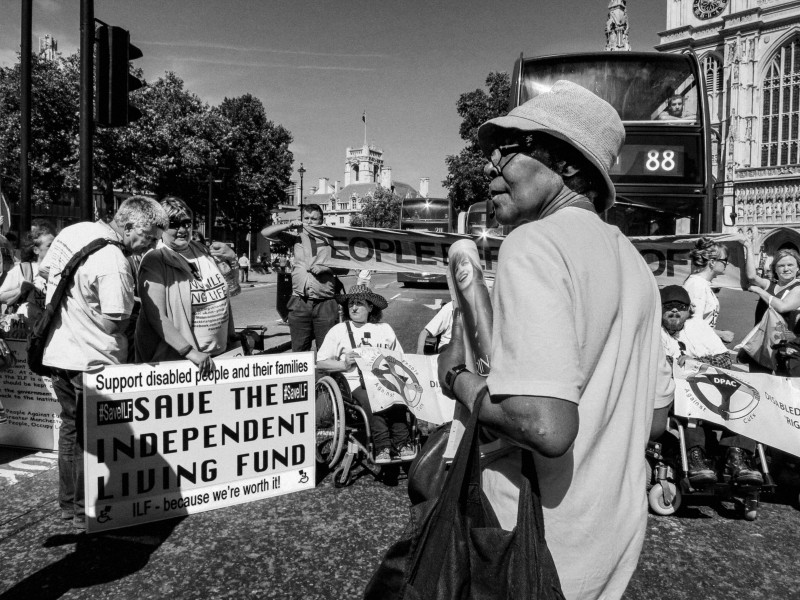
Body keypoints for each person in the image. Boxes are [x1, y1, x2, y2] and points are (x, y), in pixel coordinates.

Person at [437, 80, 674, 600]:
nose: (489, 168)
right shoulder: (636, 265)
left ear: (566, 164)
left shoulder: (534, 243)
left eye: (506, 151)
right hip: (612, 541)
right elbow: (655, 421)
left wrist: (458, 379)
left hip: (533, 546)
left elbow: (545, 425)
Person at [40, 196, 168, 530]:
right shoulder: (114, 260)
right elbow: (115, 321)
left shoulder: (74, 231)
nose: (152, 245)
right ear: (129, 226)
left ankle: (68, 506)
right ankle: (87, 513)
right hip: (92, 360)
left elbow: (44, 274)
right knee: (90, 438)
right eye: (150, 237)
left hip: (59, 353)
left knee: (70, 431)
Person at [659, 285, 763, 488]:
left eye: (680, 306)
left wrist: (694, 363)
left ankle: (736, 458)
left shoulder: (698, 327)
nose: (674, 310)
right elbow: (661, 362)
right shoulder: (654, 331)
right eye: (668, 306)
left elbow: (724, 359)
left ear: (689, 310)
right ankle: (695, 457)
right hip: (678, 394)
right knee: (689, 402)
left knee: (746, 398)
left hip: (712, 386)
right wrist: (686, 364)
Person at [135, 197, 236, 374]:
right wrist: (189, 352)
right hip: (182, 363)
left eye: (187, 223)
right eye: (174, 224)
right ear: (161, 227)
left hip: (218, 357)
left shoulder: (203, 251)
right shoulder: (155, 260)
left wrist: (232, 260)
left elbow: (233, 289)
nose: (182, 230)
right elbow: (155, 316)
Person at [316, 285, 413, 463]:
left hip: (384, 379)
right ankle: (382, 446)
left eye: (359, 303)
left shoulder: (385, 329)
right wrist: (343, 363)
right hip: (355, 383)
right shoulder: (339, 330)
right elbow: (320, 362)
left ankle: (402, 443)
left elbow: (400, 359)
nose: (353, 307)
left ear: (370, 307)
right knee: (372, 397)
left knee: (397, 395)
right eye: (351, 303)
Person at [260, 204, 343, 351]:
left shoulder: (331, 241)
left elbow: (345, 268)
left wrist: (326, 269)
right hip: (300, 302)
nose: (310, 222)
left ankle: (324, 374)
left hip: (325, 302)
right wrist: (289, 225)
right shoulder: (296, 238)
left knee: (327, 351)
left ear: (321, 221)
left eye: (314, 219)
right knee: (299, 352)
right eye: (306, 218)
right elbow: (266, 233)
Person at [683, 238, 735, 343]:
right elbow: (692, 325)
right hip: (695, 347)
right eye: (725, 260)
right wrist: (721, 334)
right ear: (712, 262)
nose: (727, 264)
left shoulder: (701, 284)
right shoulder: (697, 285)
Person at [0, 228, 54, 321]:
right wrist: (20, 290)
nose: (54, 248)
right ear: (36, 250)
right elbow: (1, 296)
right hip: (25, 329)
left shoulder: (60, 272)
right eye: (50, 245)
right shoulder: (23, 270)